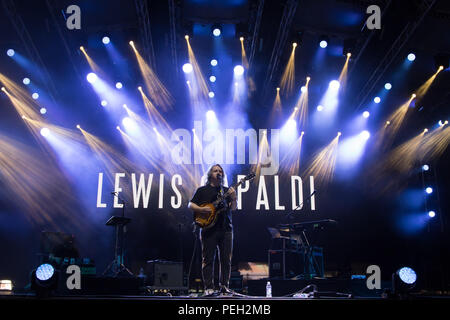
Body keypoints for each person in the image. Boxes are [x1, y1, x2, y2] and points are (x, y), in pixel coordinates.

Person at [188, 164, 237, 296]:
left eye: (220, 171)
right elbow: (190, 204)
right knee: (208, 259)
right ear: (210, 174)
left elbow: (233, 209)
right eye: (215, 170)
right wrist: (202, 209)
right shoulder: (202, 190)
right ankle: (208, 287)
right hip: (208, 228)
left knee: (226, 260)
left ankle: (224, 287)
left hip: (226, 228)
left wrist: (234, 198)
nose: (218, 173)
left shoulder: (226, 191)